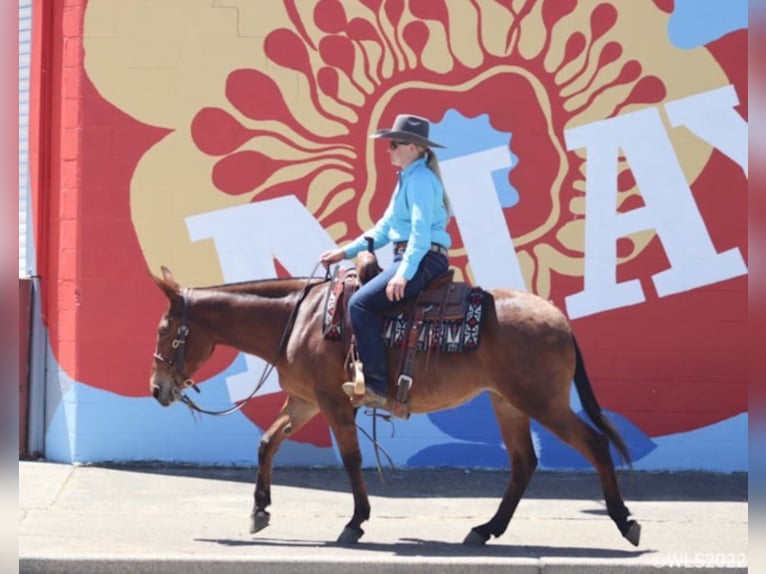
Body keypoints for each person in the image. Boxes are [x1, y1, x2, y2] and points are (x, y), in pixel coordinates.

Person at [319, 114, 452, 409]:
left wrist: (403, 274)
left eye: (394, 144)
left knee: (360, 304)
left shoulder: (419, 180)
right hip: (416, 255)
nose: (389, 149)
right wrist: (344, 252)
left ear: (414, 148)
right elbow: (383, 229)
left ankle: (377, 385)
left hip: (422, 258)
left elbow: (419, 233)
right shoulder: (409, 178)